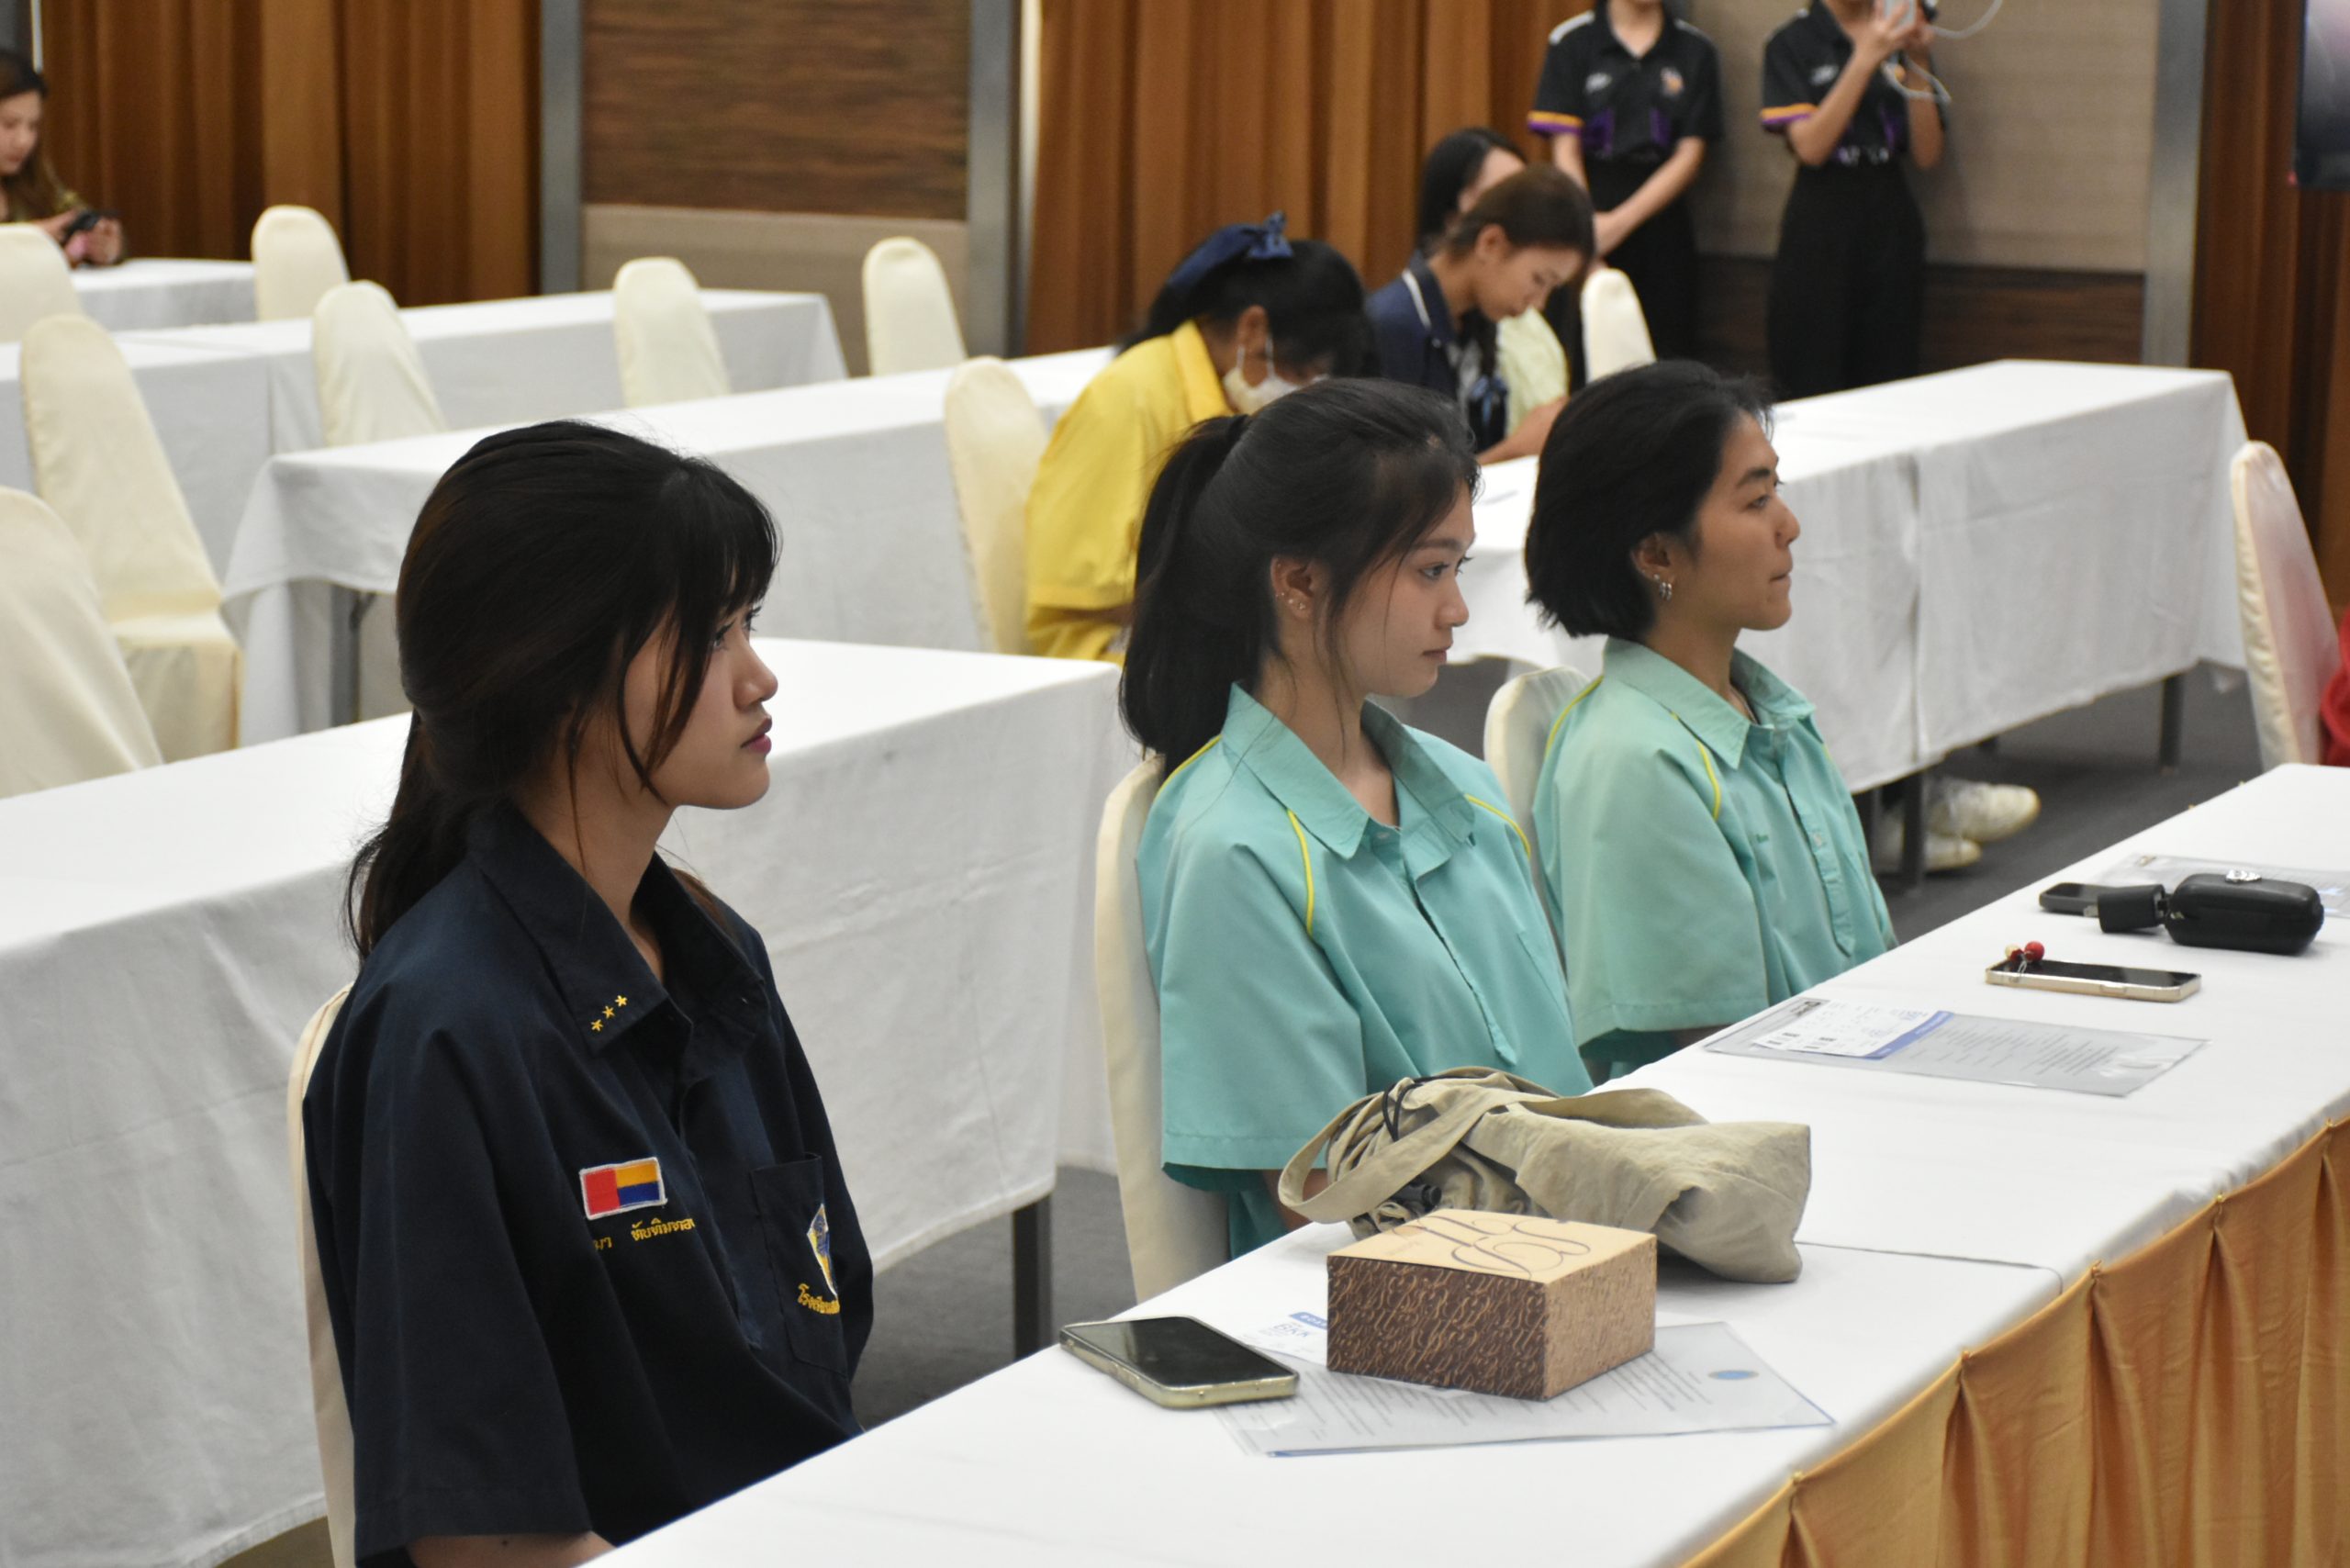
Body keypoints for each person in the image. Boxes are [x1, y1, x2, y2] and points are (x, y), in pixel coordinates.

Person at [304, 422, 869, 1566]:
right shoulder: (443, 1033)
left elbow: (825, 1340)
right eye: (711, 634)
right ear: (559, 680)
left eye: (747, 622)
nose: (758, 676)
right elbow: (482, 1540)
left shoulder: (716, 955)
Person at [1125, 378, 1591, 1259]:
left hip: (1561, 1243)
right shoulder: (1234, 850)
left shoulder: (1466, 790)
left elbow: (1560, 1095)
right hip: (1405, 1293)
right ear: (1300, 582)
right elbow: (1321, 1206)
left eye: (1457, 569)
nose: (1457, 609)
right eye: (1429, 571)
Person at [1523, 361, 1896, 1083]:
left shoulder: (1774, 715)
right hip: (1770, 1121)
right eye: (1755, 501)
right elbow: (1725, 1066)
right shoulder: (1634, 762)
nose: (1789, 526)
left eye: (1776, 491)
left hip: (1857, 1082)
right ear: (1657, 553)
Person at [1025, 213, 1367, 662]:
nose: (1301, 391)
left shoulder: (1237, 401)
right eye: (1300, 372)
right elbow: (1081, 589)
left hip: (1204, 624)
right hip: (1112, 645)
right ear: (1252, 330)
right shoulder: (1129, 397)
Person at [1760, 0, 1942, 398]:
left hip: (1890, 204)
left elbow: (1928, 154)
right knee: (1810, 367)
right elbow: (1811, 149)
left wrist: (1918, 60)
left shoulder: (1897, 29)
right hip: (1821, 210)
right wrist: (1865, 58)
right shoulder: (1792, 41)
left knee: (1890, 372)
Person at [1528, 0, 1724, 361]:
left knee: (1665, 356)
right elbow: (1565, 150)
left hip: (1662, 219)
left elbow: (1690, 156)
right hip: (1585, 211)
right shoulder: (1571, 41)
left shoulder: (1695, 49)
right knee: (1583, 353)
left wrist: (1619, 224)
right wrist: (1588, 230)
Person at [1366, 164, 1593, 464]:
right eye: (1539, 280)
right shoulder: (1391, 326)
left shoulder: (1480, 319)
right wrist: (1514, 450)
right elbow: (1392, 483)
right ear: (1491, 244)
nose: (1539, 303)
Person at [1415, 127, 1573, 430]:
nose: (1524, 221)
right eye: (1502, 200)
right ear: (1451, 214)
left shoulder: (1510, 312)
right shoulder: (1402, 320)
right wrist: (1516, 448)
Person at [0, 49, 124, 265]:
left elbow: (77, 214)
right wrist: (27, 238)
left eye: (33, 126)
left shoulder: (33, 176)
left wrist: (106, 243)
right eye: (9, 125)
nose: (24, 141)